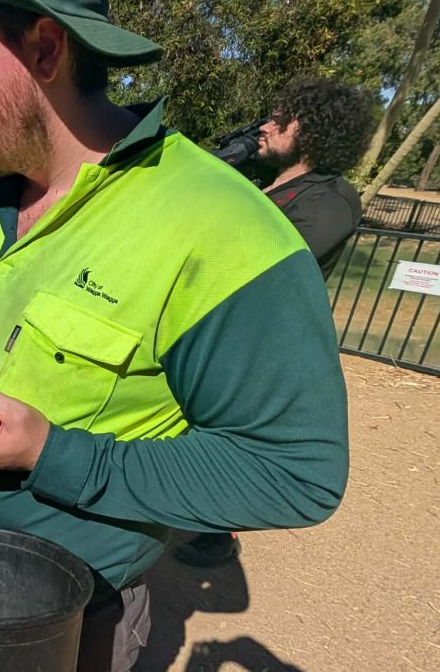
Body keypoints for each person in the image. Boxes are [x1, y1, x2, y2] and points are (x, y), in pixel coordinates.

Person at [0, 0, 349, 670]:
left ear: (47, 49)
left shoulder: (224, 227)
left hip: (55, 628)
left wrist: (54, 454)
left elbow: (295, 472)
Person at [176, 77, 372, 568]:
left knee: (228, 432)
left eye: (282, 119)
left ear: (313, 132)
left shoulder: (332, 199)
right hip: (217, 320)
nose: (266, 125)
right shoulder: (269, 183)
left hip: (260, 337)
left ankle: (218, 532)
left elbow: (267, 255)